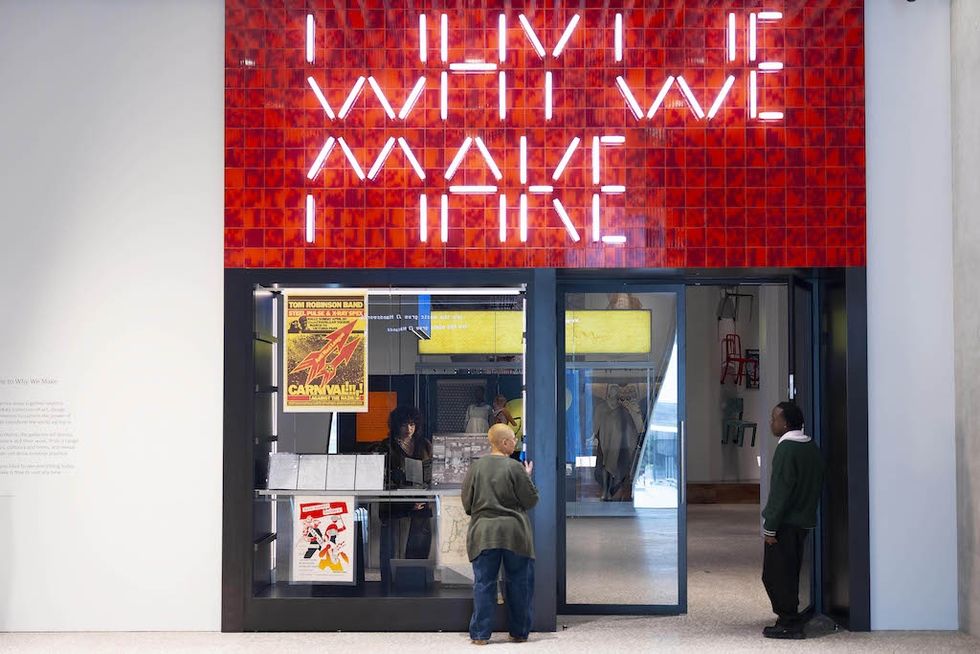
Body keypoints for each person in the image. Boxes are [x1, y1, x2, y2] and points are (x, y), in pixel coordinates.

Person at [462, 424, 538, 645]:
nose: (515, 442)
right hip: (515, 534)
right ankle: (519, 632)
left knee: (484, 583)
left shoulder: (476, 468)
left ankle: (480, 635)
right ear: (504, 443)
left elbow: (467, 503)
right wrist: (527, 476)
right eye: (513, 439)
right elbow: (531, 500)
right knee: (519, 583)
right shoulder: (515, 468)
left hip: (483, 533)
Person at [761, 401, 825, 639]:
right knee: (790, 571)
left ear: (785, 423)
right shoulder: (811, 447)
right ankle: (788, 617)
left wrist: (770, 527)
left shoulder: (787, 449)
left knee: (775, 575)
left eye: (774, 418)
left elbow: (781, 491)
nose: (771, 422)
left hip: (786, 524)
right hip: (804, 521)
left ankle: (789, 622)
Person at [373, 405, 433, 586]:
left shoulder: (424, 445)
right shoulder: (385, 446)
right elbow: (381, 479)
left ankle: (413, 584)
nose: (409, 429)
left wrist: (423, 497)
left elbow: (431, 474)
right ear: (396, 425)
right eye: (405, 425)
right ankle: (389, 586)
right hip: (395, 506)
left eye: (413, 425)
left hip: (420, 504)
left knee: (418, 547)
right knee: (390, 548)